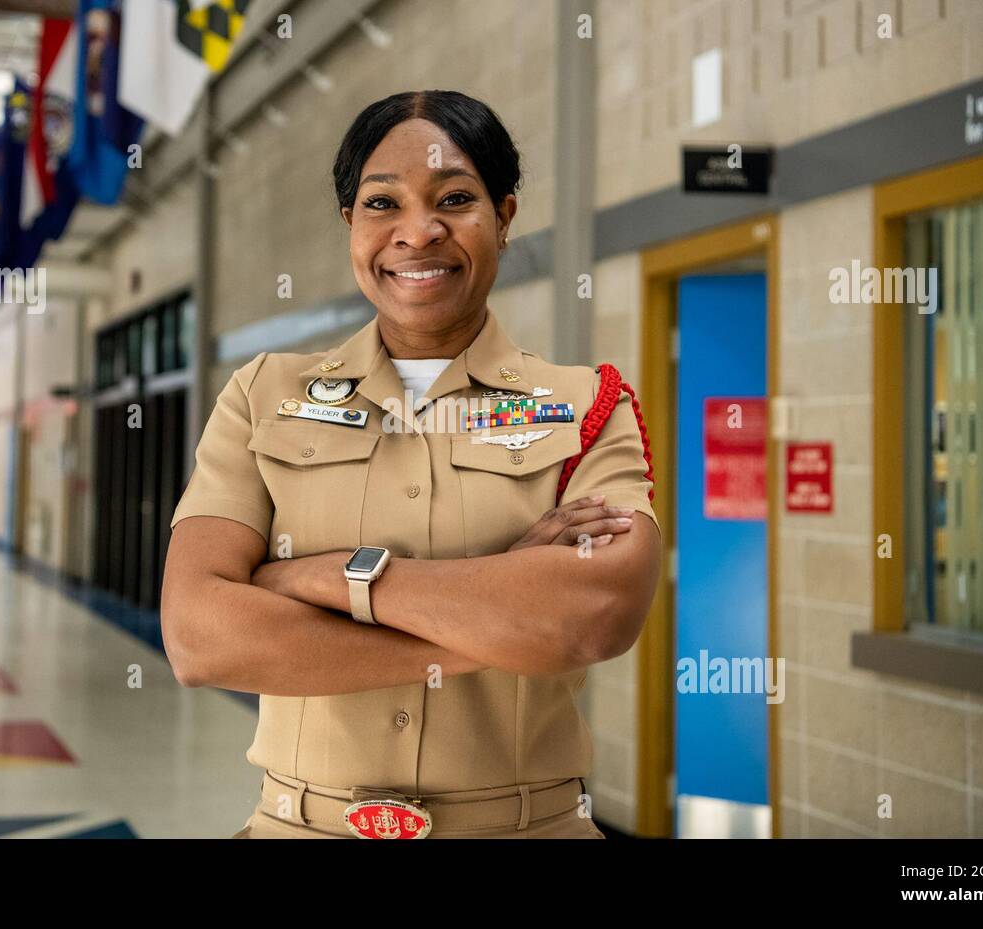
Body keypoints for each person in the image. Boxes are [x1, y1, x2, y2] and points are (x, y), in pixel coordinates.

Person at [161, 89, 662, 839]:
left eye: (455, 198)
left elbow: (596, 613)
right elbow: (200, 635)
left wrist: (326, 578)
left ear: (504, 214)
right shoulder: (263, 394)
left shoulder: (587, 403)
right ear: (350, 225)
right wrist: (495, 625)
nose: (417, 232)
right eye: (381, 203)